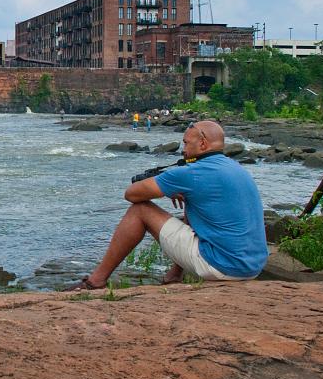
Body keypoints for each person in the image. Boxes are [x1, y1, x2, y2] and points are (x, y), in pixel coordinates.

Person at [67, 120, 267, 289]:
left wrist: (169, 187)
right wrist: (186, 194)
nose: (184, 150)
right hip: (252, 266)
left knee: (140, 210)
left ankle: (96, 281)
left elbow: (131, 194)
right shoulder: (234, 167)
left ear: (203, 144)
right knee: (196, 210)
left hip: (223, 266)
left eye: (186, 143)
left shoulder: (191, 172)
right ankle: (174, 274)